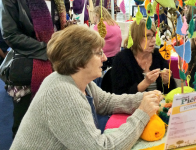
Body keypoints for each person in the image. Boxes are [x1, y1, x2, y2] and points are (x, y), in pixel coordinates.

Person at [10, 25, 162, 150]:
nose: (104, 57)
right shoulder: (63, 94)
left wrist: (143, 99)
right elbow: (101, 148)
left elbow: (106, 102)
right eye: (98, 53)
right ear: (79, 60)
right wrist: (142, 114)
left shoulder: (78, 80)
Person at [0, 0, 66, 138]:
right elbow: (11, 35)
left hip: (57, 66)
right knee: (25, 123)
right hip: (28, 69)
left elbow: (59, 30)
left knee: (56, 117)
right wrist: (49, 49)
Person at [111, 19, 177, 95]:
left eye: (153, 35)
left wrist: (166, 82)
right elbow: (120, 96)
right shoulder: (122, 59)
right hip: (135, 106)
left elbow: (171, 93)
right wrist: (145, 83)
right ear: (136, 37)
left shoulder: (158, 55)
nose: (153, 40)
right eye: (148, 36)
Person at [93, 6, 122, 70]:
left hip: (105, 57)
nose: (93, 19)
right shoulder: (114, 23)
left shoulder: (100, 26)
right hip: (116, 55)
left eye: (94, 17)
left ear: (97, 15)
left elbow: (93, 42)